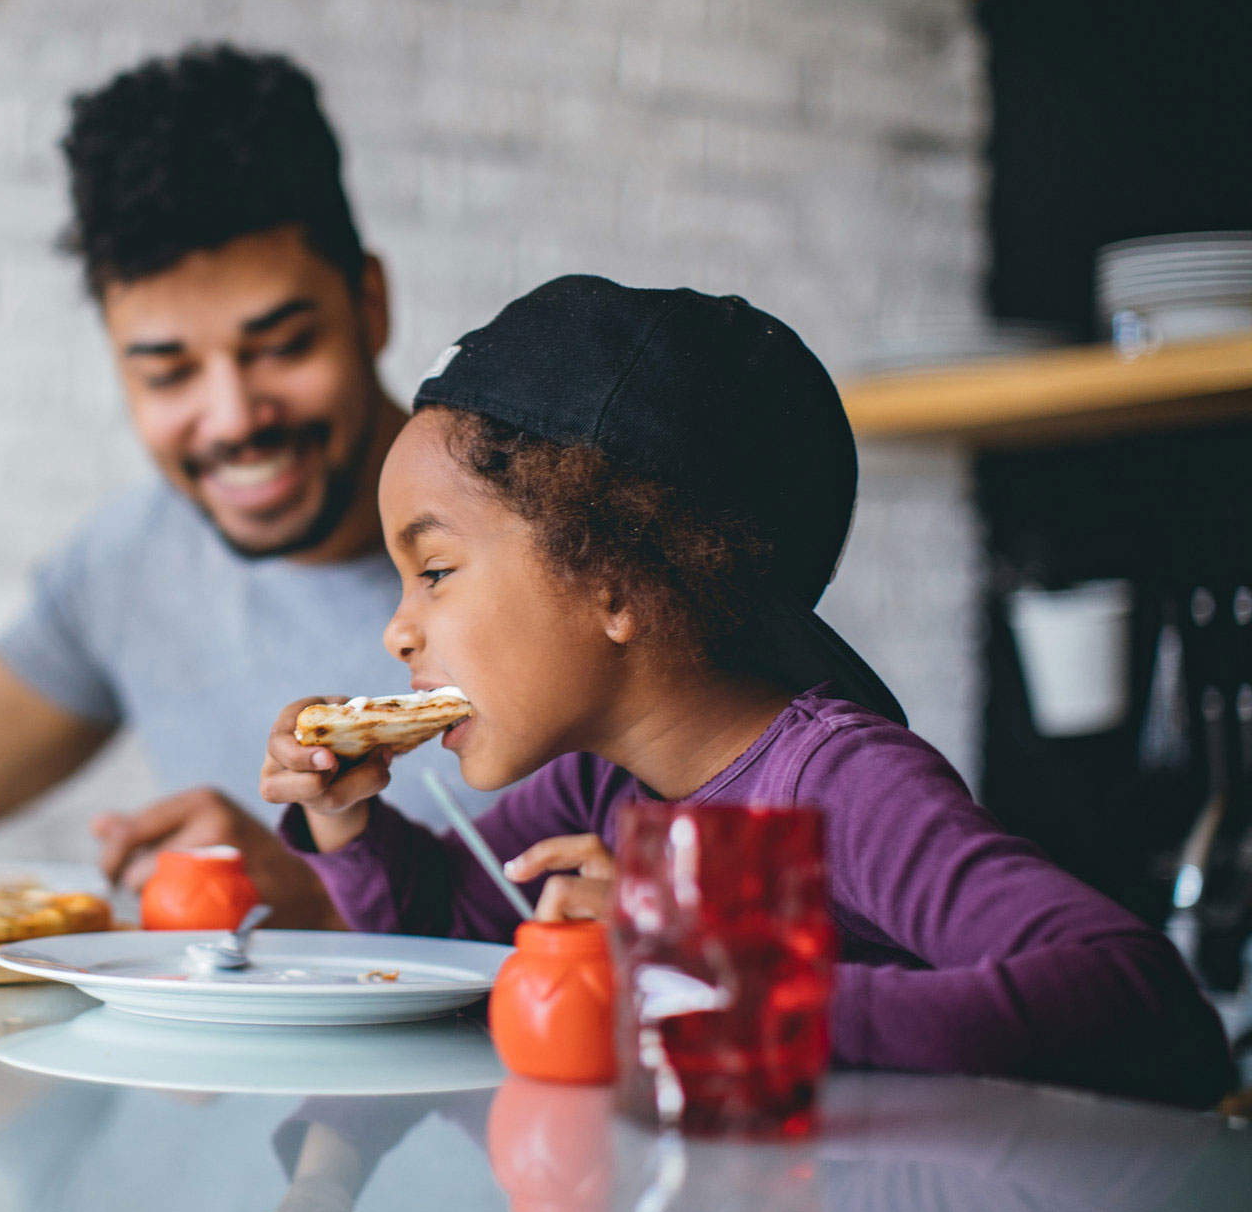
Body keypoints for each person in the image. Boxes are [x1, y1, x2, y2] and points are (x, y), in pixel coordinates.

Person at [261, 275, 1234, 1107]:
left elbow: (1143, 1005)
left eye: (432, 570)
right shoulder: (606, 786)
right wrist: (348, 822)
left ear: (611, 576)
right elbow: (447, 928)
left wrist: (712, 964)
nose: (396, 630)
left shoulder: (842, 786)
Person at [0, 44, 487, 925]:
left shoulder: (552, 540)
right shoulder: (134, 562)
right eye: (167, 372)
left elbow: (645, 903)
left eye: (283, 346)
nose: (231, 417)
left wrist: (330, 900)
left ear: (370, 303)